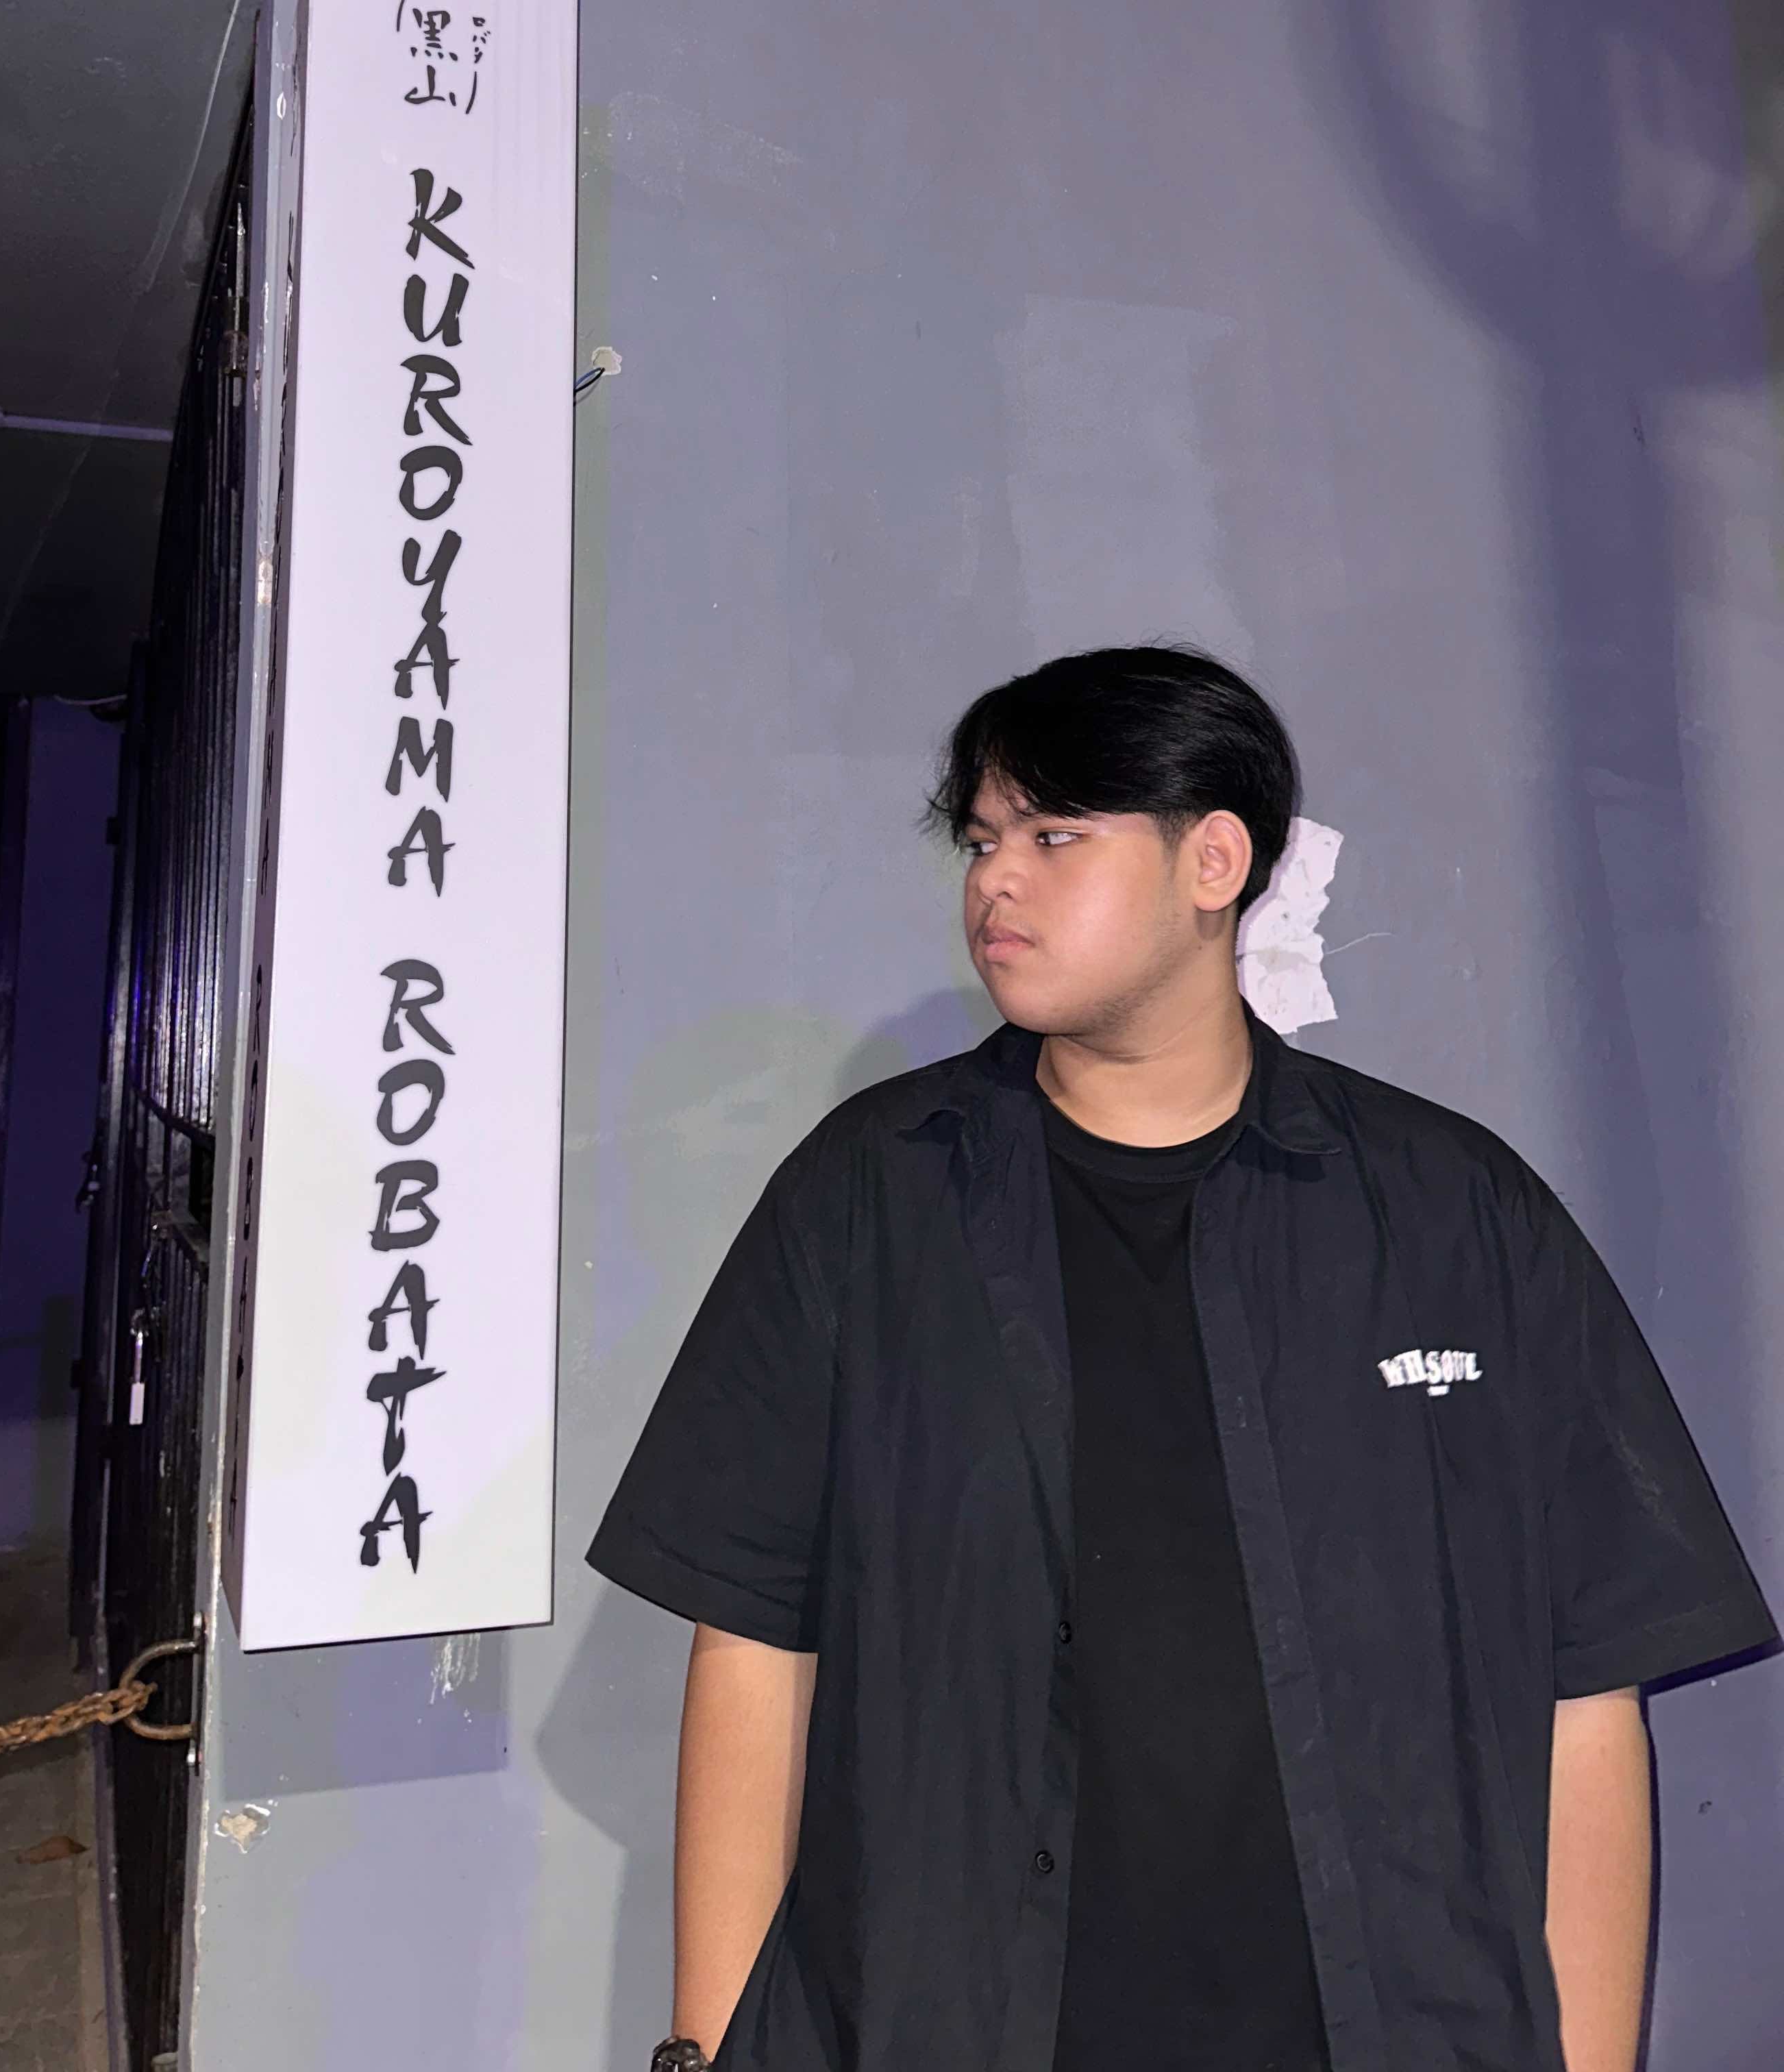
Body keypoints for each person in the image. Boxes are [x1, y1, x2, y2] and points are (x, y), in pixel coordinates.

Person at [586, 646, 1777, 2072]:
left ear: (1213, 860)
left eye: (1053, 836)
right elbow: (750, 1646)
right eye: (982, 841)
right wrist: (707, 2053)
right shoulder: (871, 1196)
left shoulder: (1453, 1214)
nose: (995, 882)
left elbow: (1588, 1691)